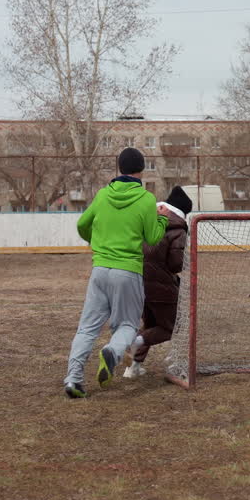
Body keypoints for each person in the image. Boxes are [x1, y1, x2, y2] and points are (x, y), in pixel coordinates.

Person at [63, 148, 167, 398]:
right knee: (128, 325)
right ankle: (113, 351)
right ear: (141, 169)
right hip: (127, 271)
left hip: (100, 269)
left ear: (119, 168)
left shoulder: (102, 195)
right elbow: (153, 237)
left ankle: (73, 380)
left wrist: (96, 242)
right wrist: (162, 219)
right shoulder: (146, 199)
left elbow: (81, 225)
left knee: (87, 329)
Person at [124, 186, 193, 378]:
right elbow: (176, 264)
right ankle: (134, 341)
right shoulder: (178, 231)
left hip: (140, 284)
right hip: (162, 289)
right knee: (169, 328)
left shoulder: (149, 223)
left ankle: (133, 369)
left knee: (150, 325)